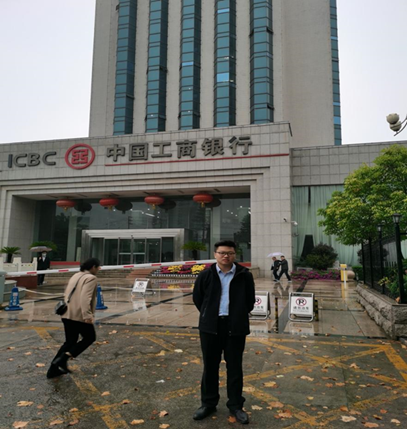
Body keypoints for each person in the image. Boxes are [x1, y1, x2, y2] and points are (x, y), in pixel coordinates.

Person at [193, 240, 255, 424]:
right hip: (210, 327)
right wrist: (209, 314)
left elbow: (250, 301)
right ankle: (208, 403)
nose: (225, 256)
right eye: (222, 253)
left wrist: (237, 315)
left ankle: (236, 405)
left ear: (235, 255)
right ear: (215, 254)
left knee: (235, 367)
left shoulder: (244, 275)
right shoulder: (205, 275)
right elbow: (198, 298)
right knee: (210, 367)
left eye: (229, 253)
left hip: (235, 327)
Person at [47, 258, 101, 379]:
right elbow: (85, 298)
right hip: (79, 315)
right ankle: (64, 358)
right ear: (93, 267)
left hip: (67, 313)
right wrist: (87, 315)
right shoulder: (91, 278)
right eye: (98, 267)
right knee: (90, 337)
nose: (99, 269)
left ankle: (53, 369)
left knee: (69, 342)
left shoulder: (76, 275)